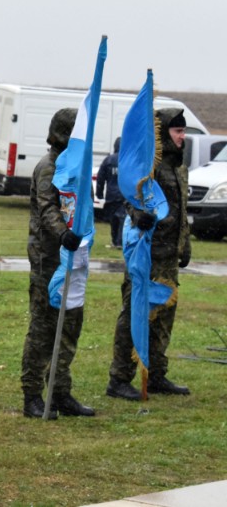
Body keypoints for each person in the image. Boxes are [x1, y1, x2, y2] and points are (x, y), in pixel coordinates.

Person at [106, 108, 192, 401]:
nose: (182, 137)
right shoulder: (148, 165)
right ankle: (119, 378)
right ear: (162, 133)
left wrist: (185, 245)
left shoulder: (179, 167)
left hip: (169, 255)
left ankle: (156, 373)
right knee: (135, 314)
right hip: (147, 253)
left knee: (164, 316)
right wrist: (137, 213)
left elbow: (181, 209)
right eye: (177, 131)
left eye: (183, 131)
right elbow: (132, 196)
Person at [20, 108, 95, 420]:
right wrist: (63, 234)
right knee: (43, 327)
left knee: (70, 324)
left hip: (73, 258)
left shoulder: (74, 167)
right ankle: (32, 395)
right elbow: (48, 206)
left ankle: (60, 391)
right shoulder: (49, 167)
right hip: (48, 259)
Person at [96, 137, 126, 248]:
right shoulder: (127, 160)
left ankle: (115, 240)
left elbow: (100, 178)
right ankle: (119, 241)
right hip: (124, 195)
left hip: (111, 195)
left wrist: (99, 193)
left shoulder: (108, 160)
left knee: (113, 219)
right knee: (122, 218)